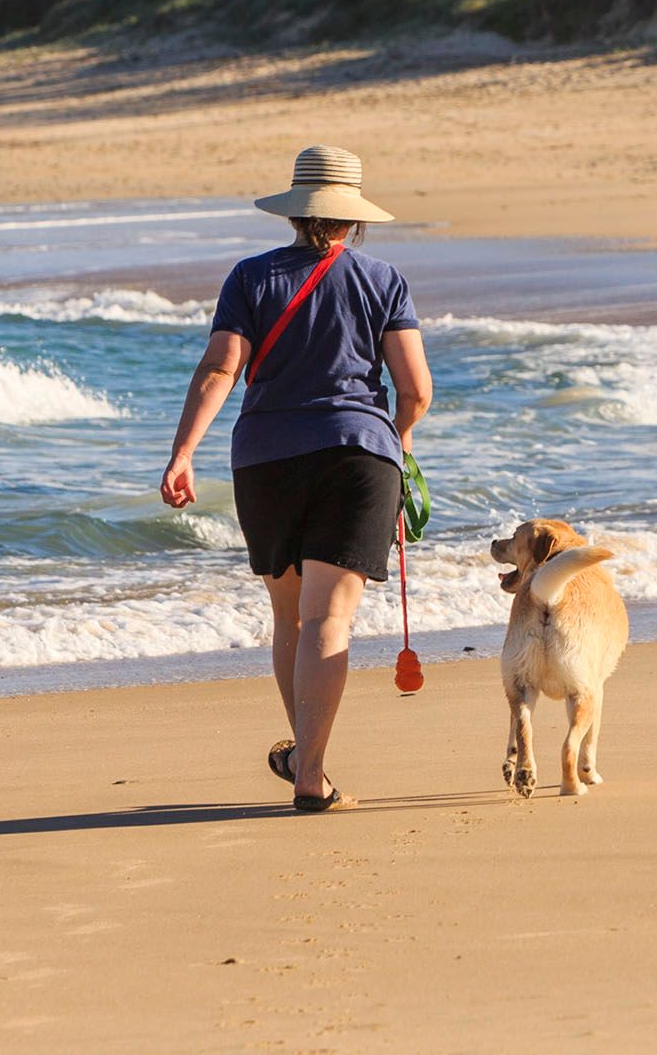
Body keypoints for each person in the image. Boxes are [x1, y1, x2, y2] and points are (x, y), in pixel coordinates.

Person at [158, 145, 432, 814]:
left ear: (294, 210)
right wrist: (394, 444)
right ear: (353, 217)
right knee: (329, 619)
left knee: (290, 618)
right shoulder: (382, 279)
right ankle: (310, 772)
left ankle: (310, 762)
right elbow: (417, 389)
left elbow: (222, 368)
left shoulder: (250, 278)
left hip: (266, 458)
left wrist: (182, 453)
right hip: (356, 457)